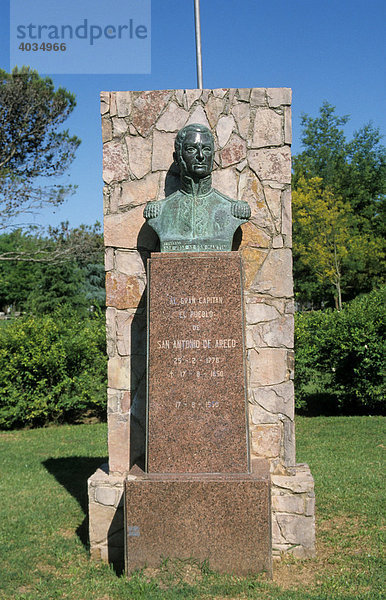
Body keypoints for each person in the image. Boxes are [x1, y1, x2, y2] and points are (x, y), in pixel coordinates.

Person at [144, 123, 250, 252]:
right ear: (177, 158)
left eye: (206, 149)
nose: (200, 155)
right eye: (191, 149)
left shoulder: (231, 209)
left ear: (213, 156)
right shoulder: (160, 212)